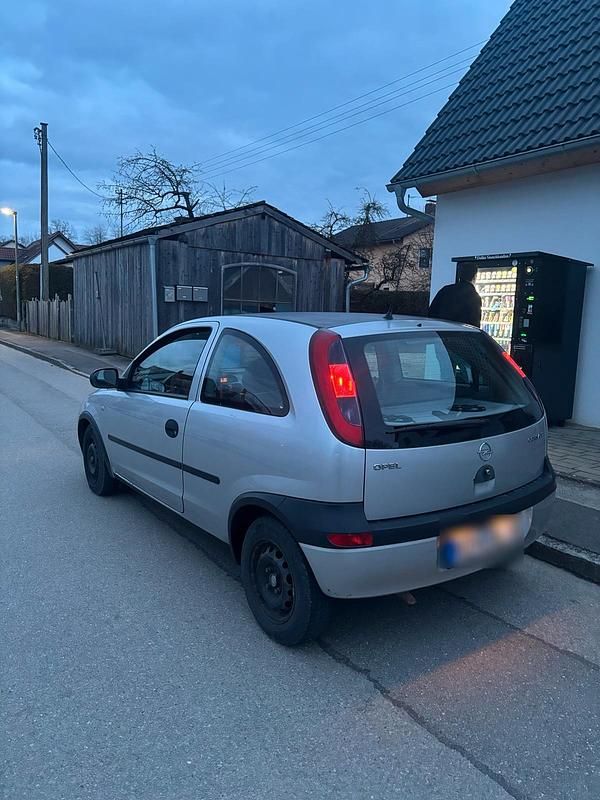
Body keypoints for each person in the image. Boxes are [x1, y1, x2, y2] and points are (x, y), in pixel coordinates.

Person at [428, 262, 482, 327]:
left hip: (441, 331)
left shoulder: (445, 289)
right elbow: (474, 323)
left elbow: (431, 312)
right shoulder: (474, 296)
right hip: (459, 334)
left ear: (459, 275)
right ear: (474, 276)